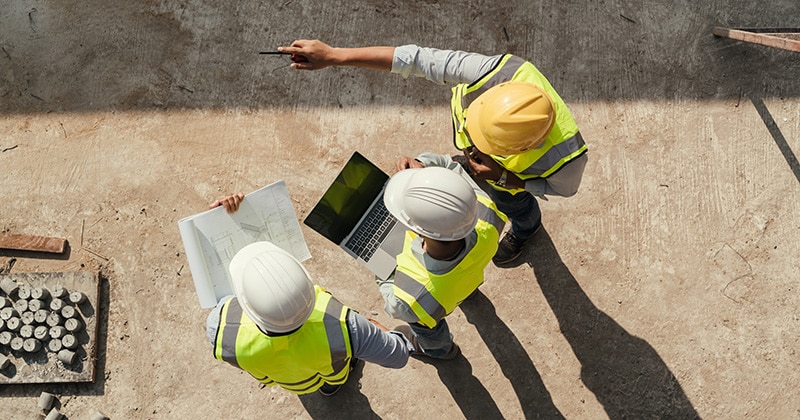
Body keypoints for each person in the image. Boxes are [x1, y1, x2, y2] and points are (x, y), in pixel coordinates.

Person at [278, 40, 588, 264]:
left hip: (508, 182)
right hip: (495, 171)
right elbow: (415, 59)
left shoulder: (567, 161)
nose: (471, 146)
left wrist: (507, 179)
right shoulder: (495, 72)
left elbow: (561, 190)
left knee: (516, 207)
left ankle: (527, 228)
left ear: (522, 147)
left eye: (483, 144)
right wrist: (335, 56)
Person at [205, 194, 414, 396]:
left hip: (289, 381)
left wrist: (219, 222)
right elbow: (398, 355)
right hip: (331, 372)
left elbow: (222, 291)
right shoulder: (346, 326)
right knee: (334, 374)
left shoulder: (220, 329)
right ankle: (332, 386)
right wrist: (369, 327)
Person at [376, 153, 507, 359]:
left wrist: (380, 267)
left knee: (428, 328)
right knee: (462, 284)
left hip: (434, 303)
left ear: (417, 231)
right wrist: (425, 170)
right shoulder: (486, 213)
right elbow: (451, 168)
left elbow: (394, 307)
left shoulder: (411, 298)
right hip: (465, 279)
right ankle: (467, 295)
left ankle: (440, 351)